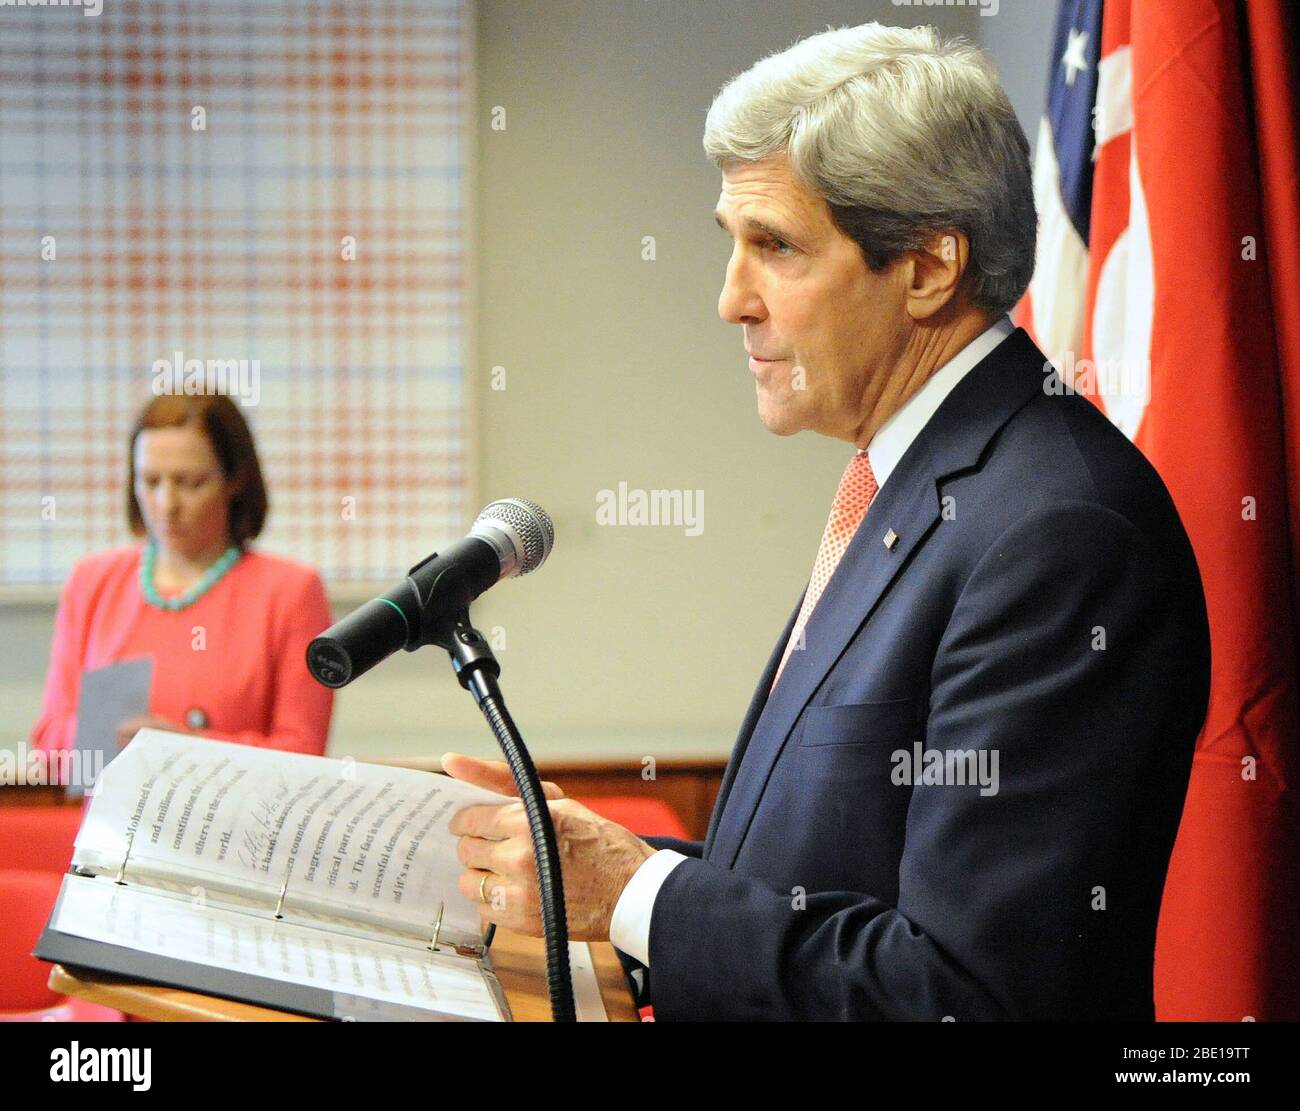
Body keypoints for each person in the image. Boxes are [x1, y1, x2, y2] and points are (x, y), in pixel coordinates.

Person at [441, 23, 1211, 1020]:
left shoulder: (1060, 536)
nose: (729, 301)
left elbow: (969, 993)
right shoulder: (910, 478)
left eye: (775, 247)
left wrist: (632, 891)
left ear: (928, 267)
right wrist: (612, 877)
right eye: (733, 243)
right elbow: (821, 877)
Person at [32, 392, 334, 760]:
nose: (167, 504)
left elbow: (302, 752)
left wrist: (182, 750)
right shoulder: (93, 581)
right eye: (150, 481)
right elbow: (50, 739)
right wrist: (108, 739)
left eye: (189, 482)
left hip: (225, 817)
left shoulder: (291, 592)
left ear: (234, 481)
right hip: (112, 816)